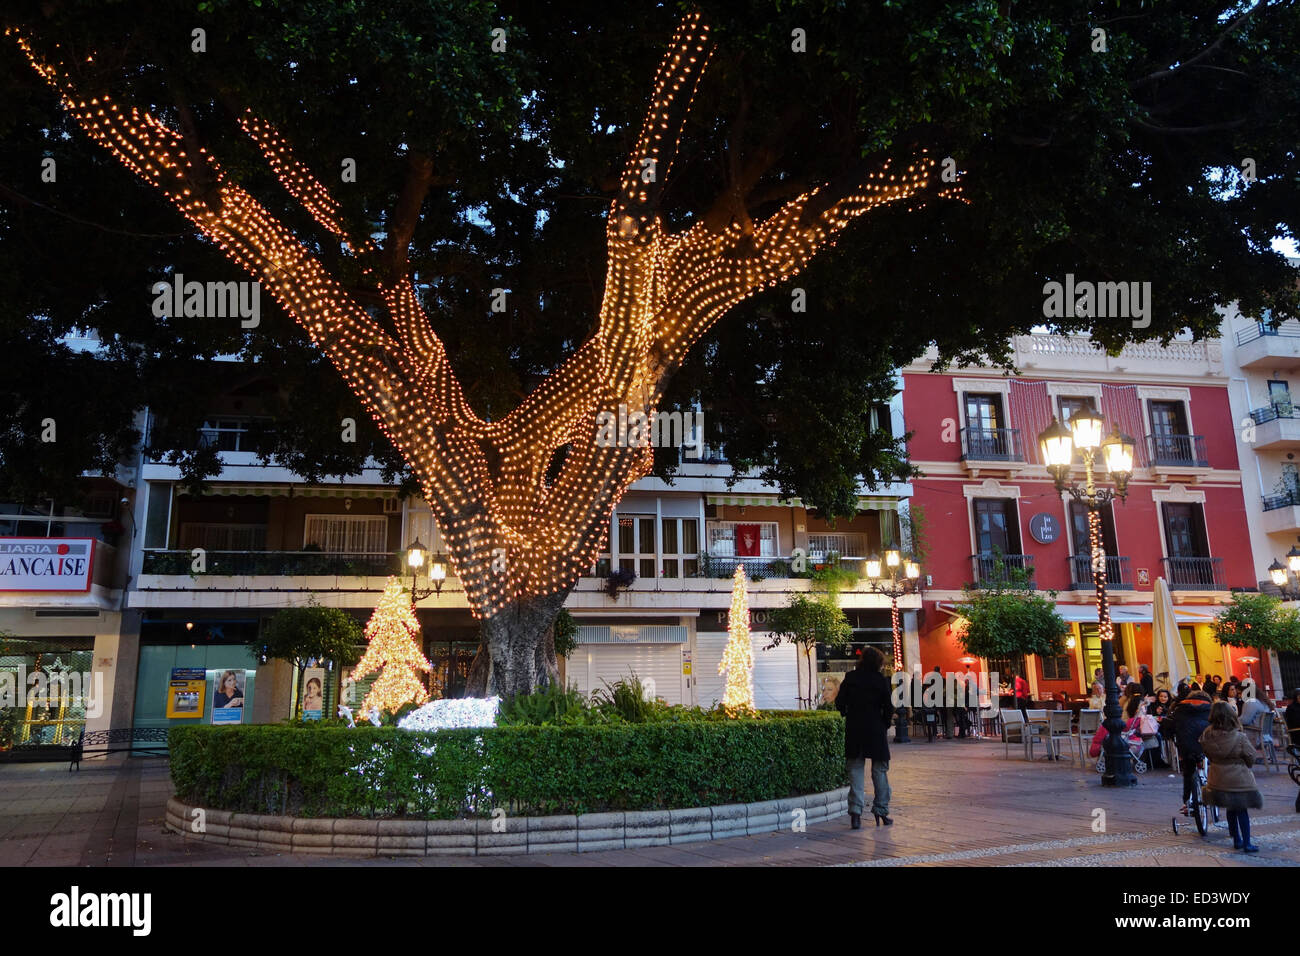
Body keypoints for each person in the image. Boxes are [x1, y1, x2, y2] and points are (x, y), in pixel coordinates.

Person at [836, 646, 894, 829]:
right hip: (875, 729)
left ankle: (855, 813)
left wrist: (848, 713)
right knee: (880, 770)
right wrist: (884, 724)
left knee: (855, 769)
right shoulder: (881, 680)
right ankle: (881, 810)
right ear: (878, 662)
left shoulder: (851, 678)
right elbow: (889, 707)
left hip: (855, 729)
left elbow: (840, 702)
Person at [1199, 702, 1263, 852]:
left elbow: (1207, 754)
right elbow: (1251, 756)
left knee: (1230, 810)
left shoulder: (1206, 735)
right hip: (1238, 778)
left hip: (1218, 778)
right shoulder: (1239, 737)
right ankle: (1247, 842)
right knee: (1242, 810)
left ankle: (1236, 840)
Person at [1161, 690, 1212, 815]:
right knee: (1213, 767)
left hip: (1186, 745)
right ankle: (1215, 794)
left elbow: (1168, 726)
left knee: (1188, 772)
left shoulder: (1179, 709)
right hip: (1207, 744)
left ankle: (1187, 801)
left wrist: (1171, 737)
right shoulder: (1211, 709)